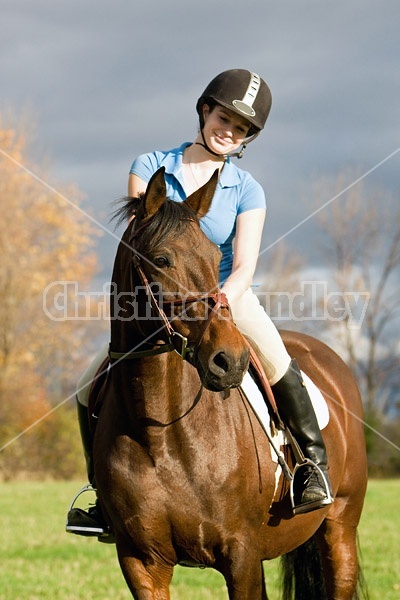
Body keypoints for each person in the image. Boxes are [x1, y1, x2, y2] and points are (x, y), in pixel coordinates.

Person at [66, 69, 333, 538]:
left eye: (242, 128)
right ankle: (102, 495)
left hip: (224, 295)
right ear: (205, 110)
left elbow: (246, 263)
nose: (229, 131)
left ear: (249, 137)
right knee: (90, 387)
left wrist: (219, 301)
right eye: (224, 117)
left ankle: (311, 468)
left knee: (278, 363)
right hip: (158, 302)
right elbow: (138, 243)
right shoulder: (149, 165)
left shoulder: (247, 189)